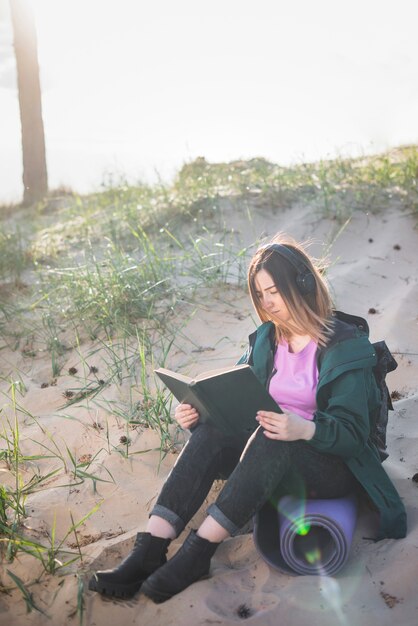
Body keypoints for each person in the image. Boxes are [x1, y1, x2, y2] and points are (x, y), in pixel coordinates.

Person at [88, 234, 407, 603]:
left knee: (275, 432)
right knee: (210, 431)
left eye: (274, 291)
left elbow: (353, 435)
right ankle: (150, 548)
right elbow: (235, 398)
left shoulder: (346, 347)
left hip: (328, 464)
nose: (267, 303)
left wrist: (301, 427)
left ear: (303, 284)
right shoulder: (266, 340)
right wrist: (197, 413)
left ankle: (198, 553)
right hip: (264, 457)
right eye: (260, 294)